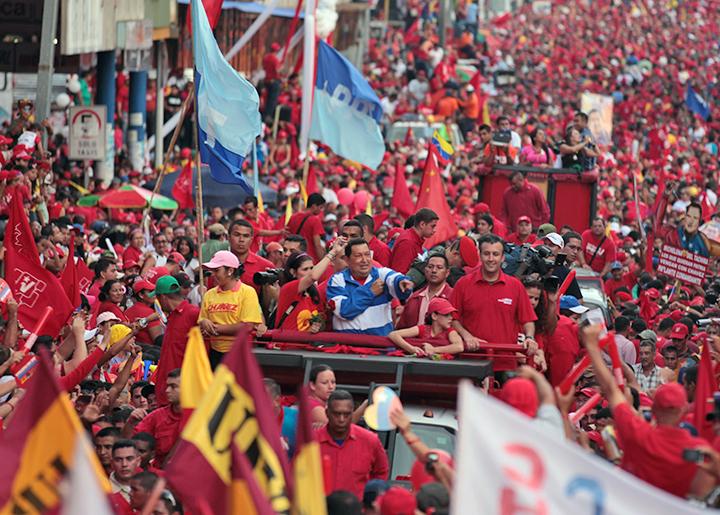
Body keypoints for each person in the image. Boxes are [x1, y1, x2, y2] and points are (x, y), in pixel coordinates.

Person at [583, 324, 712, 498]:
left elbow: (611, 390)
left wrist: (592, 347)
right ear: (683, 410)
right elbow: (702, 490)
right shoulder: (697, 450)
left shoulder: (638, 432)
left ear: (653, 408)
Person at [450, 235, 537, 358]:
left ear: (502, 258)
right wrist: (467, 336)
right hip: (471, 360)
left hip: (506, 361)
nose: (491, 259)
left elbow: (527, 320)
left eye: (495, 254)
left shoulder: (515, 286)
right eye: (486, 254)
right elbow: (452, 319)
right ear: (480, 255)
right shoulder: (463, 284)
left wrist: (529, 337)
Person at [327, 239, 413, 335]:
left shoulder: (381, 274)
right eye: (358, 256)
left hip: (379, 346)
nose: (364, 260)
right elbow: (344, 311)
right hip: (348, 346)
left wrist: (402, 283)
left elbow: (395, 281)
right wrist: (370, 292)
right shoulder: (337, 280)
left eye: (367, 254)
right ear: (347, 260)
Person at [317, 390, 389, 500]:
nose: (341, 419)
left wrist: (370, 501)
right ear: (327, 413)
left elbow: (381, 472)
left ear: (352, 413)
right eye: (337, 414)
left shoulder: (370, 441)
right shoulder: (310, 442)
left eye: (346, 414)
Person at [198, 250, 263, 367]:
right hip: (214, 354)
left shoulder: (247, 292)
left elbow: (247, 326)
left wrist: (215, 329)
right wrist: (204, 322)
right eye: (212, 271)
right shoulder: (209, 294)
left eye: (216, 270)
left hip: (239, 353)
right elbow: (202, 320)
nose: (213, 274)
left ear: (230, 271)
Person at [275, 237, 346, 332]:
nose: (310, 272)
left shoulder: (313, 294)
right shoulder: (288, 289)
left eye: (312, 268)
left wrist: (318, 326)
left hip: (306, 345)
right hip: (288, 345)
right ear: (293, 272)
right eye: (305, 269)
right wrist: (333, 252)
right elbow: (312, 276)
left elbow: (321, 323)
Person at [152, 275, 200, 405]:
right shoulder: (173, 316)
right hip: (168, 390)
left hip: (182, 392)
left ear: (163, 297)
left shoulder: (193, 314)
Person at [127, 368, 182, 467]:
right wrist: (130, 423)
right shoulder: (156, 416)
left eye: (173, 386)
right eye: (167, 386)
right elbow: (128, 445)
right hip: (159, 476)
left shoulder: (201, 418)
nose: (167, 390)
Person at [389, 297, 464, 357]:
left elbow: (459, 347)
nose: (451, 318)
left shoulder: (450, 331)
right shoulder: (423, 329)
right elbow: (393, 334)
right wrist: (411, 349)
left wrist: (434, 349)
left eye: (451, 314)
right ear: (434, 316)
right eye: (446, 315)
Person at [397, 253, 453, 328]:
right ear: (425, 270)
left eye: (439, 267)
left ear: (447, 273)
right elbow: (401, 327)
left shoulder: (453, 297)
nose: (434, 270)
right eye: (430, 267)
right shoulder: (415, 297)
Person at [544, 295, 587, 386]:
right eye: (575, 318)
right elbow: (561, 376)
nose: (578, 323)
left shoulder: (570, 332)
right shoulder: (563, 332)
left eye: (580, 318)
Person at [228, 219, 274, 295]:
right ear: (228, 237)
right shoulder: (218, 265)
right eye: (237, 235)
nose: (241, 240)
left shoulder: (266, 266)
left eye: (246, 236)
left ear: (251, 239)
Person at [389, 208, 439, 274]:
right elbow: (401, 273)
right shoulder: (408, 242)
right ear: (422, 224)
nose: (434, 230)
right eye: (432, 226)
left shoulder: (413, 239)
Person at [286, 192, 326, 262]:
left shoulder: (293, 217)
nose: (321, 210)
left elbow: (287, 235)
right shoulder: (315, 220)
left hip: (293, 257)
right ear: (314, 206)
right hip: (309, 258)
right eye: (321, 207)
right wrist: (323, 262)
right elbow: (317, 245)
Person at [124, 279, 163, 347]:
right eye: (150, 291)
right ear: (141, 295)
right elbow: (158, 340)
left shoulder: (128, 311)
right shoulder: (149, 312)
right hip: (150, 351)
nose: (154, 294)